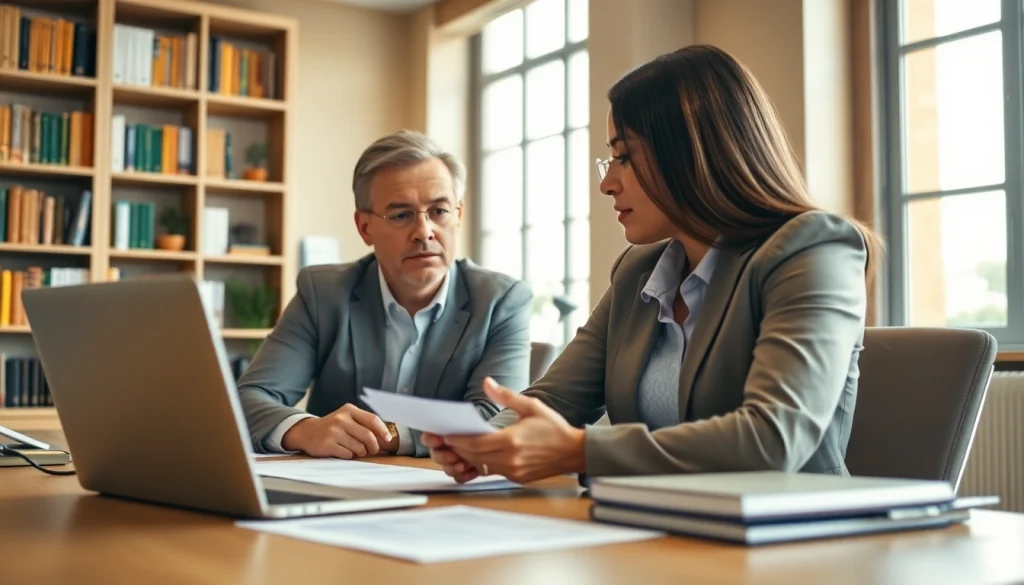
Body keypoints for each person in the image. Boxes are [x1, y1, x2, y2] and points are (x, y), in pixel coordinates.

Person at [423, 44, 883, 484]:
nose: (608, 183)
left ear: (692, 152)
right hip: (657, 527)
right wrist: (486, 442)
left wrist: (579, 451)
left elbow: (773, 438)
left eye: (623, 157)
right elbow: (555, 398)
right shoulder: (639, 271)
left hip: (792, 545)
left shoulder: (814, 248)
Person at [237, 130, 533, 459]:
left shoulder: (501, 301)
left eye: (439, 211)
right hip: (336, 491)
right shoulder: (324, 294)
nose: (424, 232)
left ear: (458, 215)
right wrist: (305, 429)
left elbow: (497, 419)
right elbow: (249, 398)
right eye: (401, 215)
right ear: (365, 228)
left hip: (446, 490)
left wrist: (389, 436)